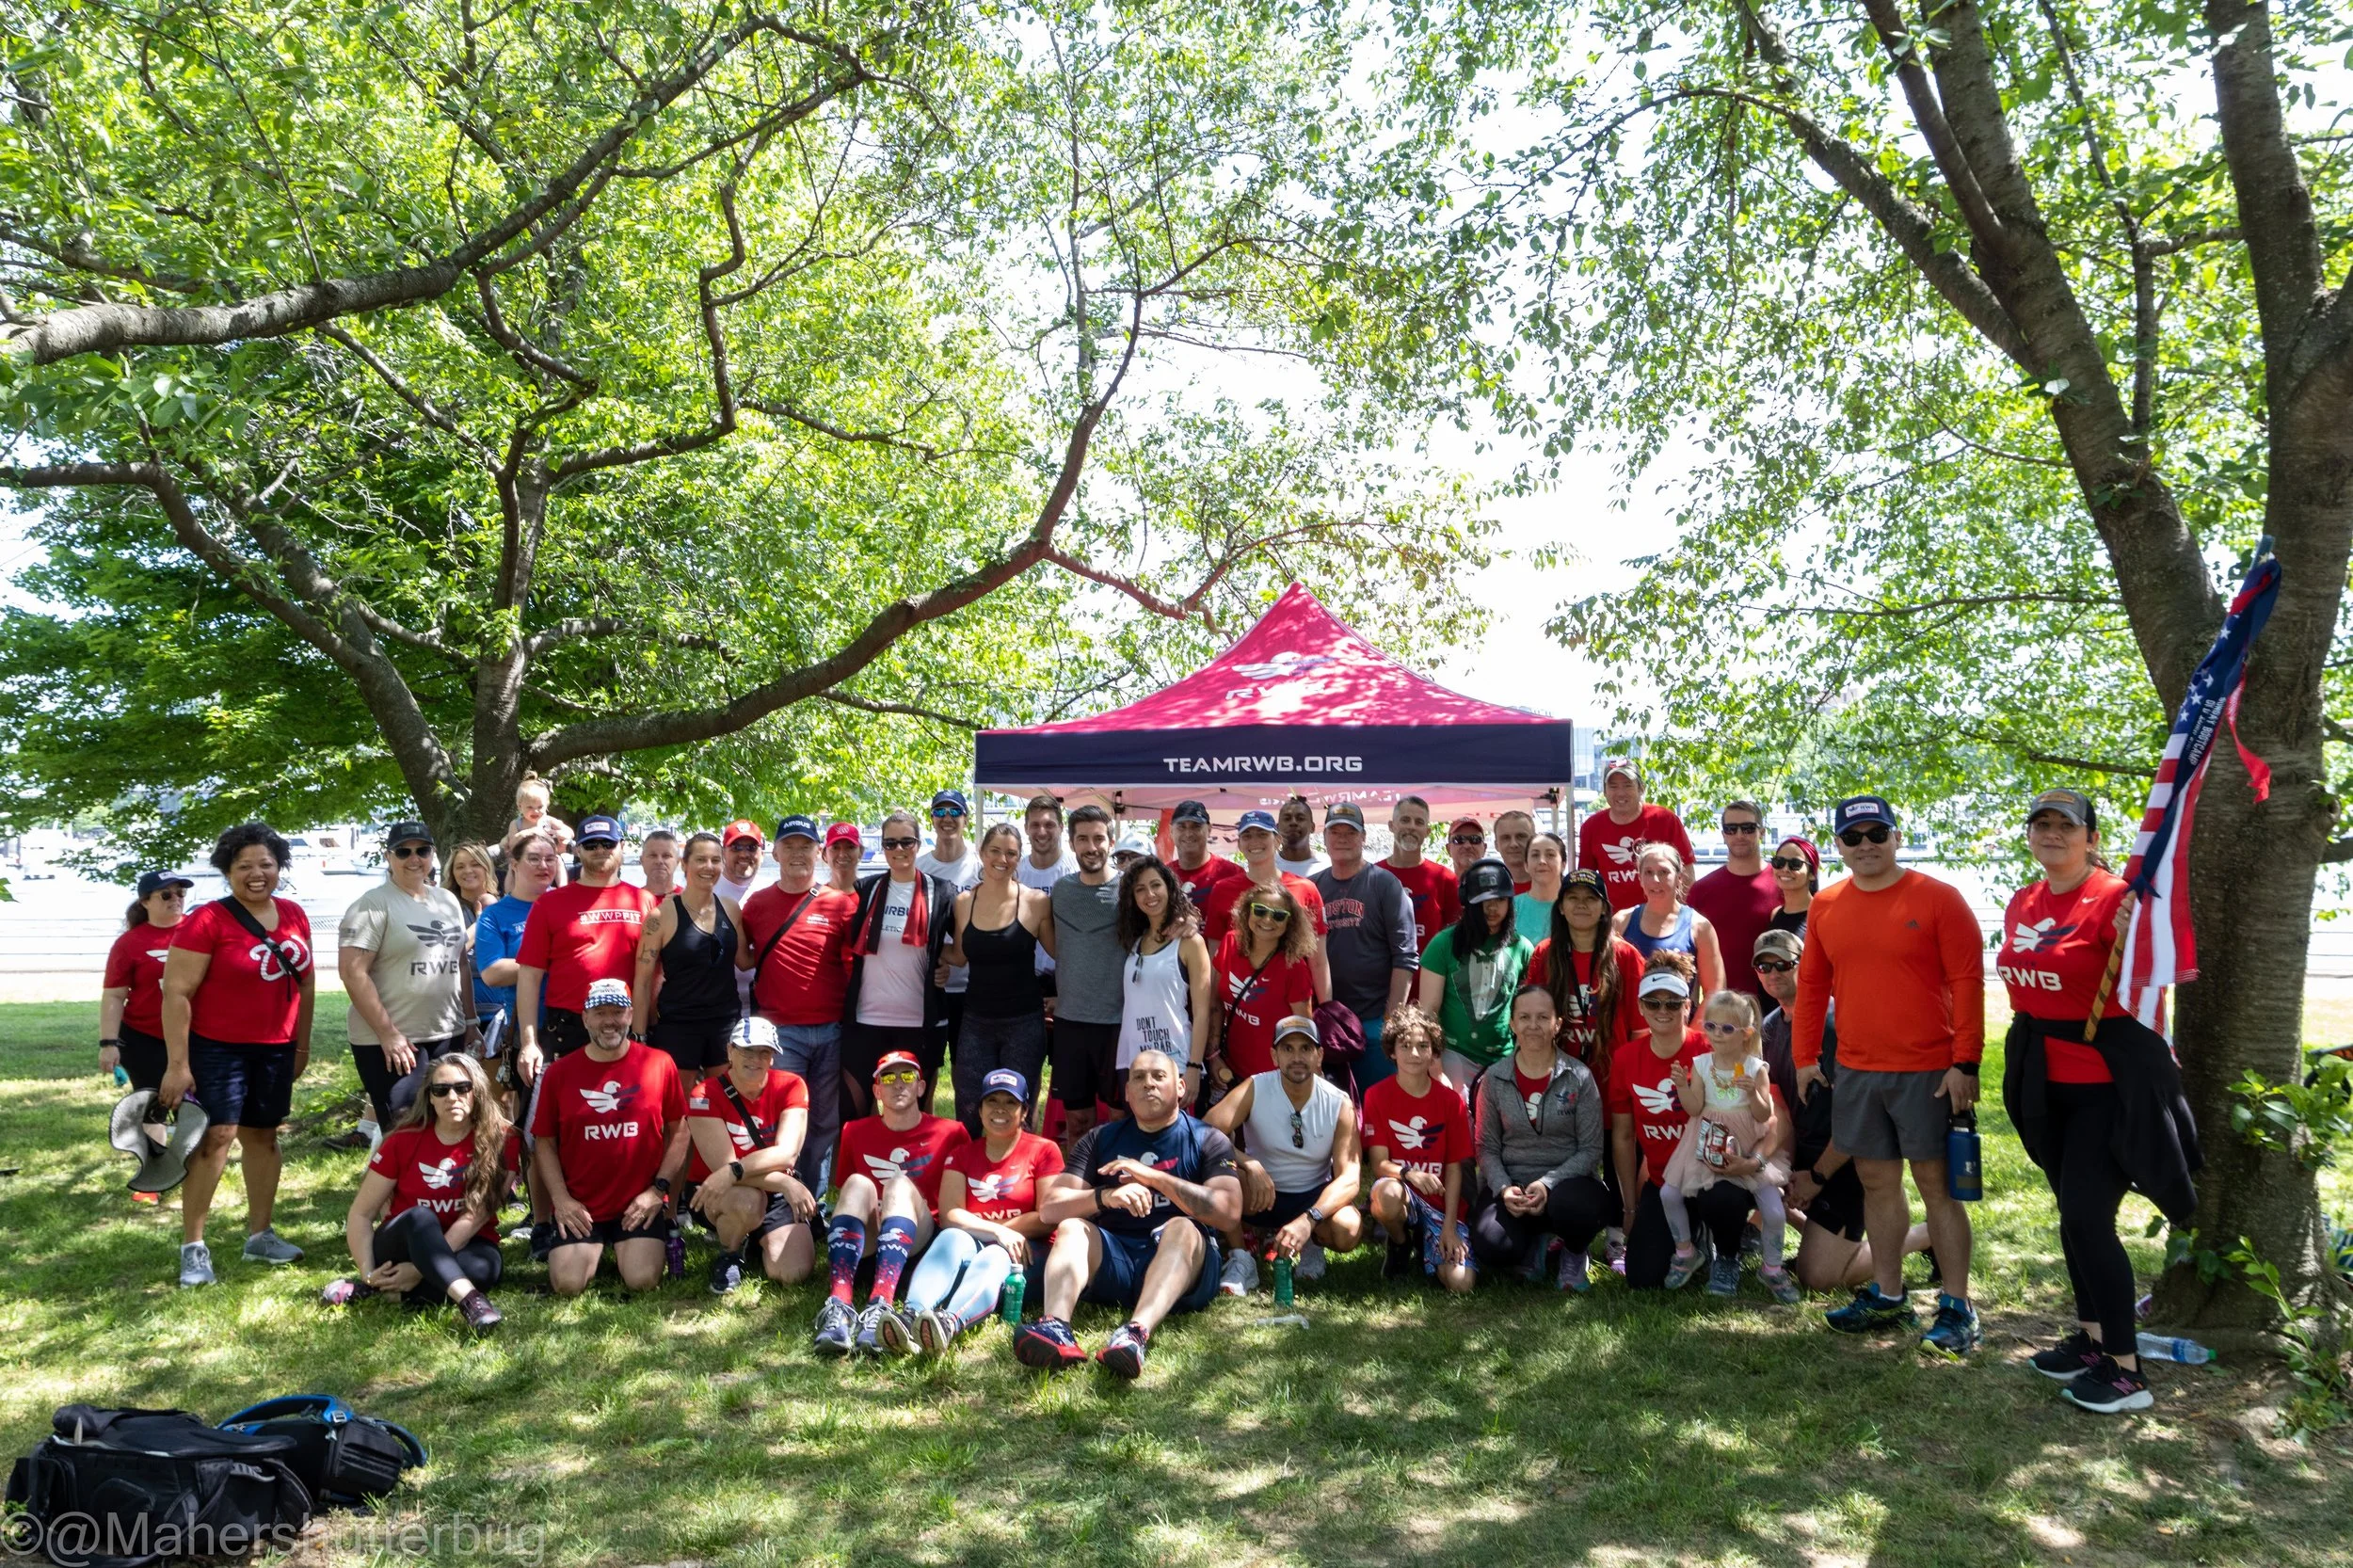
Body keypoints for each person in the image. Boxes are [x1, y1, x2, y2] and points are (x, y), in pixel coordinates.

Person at [1999, 787, 2199, 1414]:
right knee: (2071, 1215)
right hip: (2045, 1083)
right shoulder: (2023, 901)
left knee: (2088, 1218)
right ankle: (2090, 1340)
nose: (2052, 833)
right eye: (2042, 823)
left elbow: (2157, 972)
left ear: (2091, 837)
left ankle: (2125, 1368)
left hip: (2107, 1089)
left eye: (2067, 825)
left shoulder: (2120, 900)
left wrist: (2140, 923)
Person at [1792, 793, 1986, 1356]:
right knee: (1878, 1183)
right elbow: (1811, 988)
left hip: (1927, 1069)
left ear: (1896, 836)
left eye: (1877, 833)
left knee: (1936, 1187)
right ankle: (1888, 1293)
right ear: (1839, 846)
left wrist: (1965, 1061)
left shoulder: (1939, 898)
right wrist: (1807, 1057)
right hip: (1855, 1069)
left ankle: (1956, 1305)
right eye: (1853, 838)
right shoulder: (1825, 904)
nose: (1866, 846)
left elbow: (1969, 981)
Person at [1012, 1048, 1241, 1378]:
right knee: (1073, 1227)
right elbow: (1050, 1208)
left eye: (1159, 1076)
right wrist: (1105, 1197)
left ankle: (1135, 1334)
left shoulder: (1207, 1138)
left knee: (1182, 1227)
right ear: (1127, 1093)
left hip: (1183, 1271)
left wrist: (1155, 1178)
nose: (1148, 1084)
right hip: (1117, 1260)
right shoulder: (1100, 1138)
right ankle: (1056, 1328)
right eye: (1138, 1078)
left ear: (1180, 1087)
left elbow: (1229, 1212)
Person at [160, 823, 314, 1287]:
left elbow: (305, 984)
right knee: (217, 1138)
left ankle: (260, 1235)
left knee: (264, 1138)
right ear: (227, 870)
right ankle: (194, 1246)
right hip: (217, 1048)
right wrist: (178, 1064)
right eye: (244, 866)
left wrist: (301, 1045)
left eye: (266, 865)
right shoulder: (207, 920)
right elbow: (176, 994)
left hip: (275, 1048)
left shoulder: (293, 914)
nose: (256, 874)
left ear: (279, 868)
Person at [1756, 927, 1930, 1295]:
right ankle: (1823, 1238)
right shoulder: (1769, 1029)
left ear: (1806, 965)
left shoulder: (1837, 1023)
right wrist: (1784, 1166)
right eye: (1763, 965)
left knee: (1818, 1278)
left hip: (1848, 1157)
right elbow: (1781, 1111)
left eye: (1784, 963)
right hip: (1805, 1156)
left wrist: (1817, 1177)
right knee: (1742, 1181)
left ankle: (1924, 1236)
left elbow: (1862, 1116)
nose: (1773, 973)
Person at [324, 1052, 515, 1331]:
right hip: (403, 1242)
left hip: (470, 1241)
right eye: (441, 1090)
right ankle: (472, 1302)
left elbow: (477, 1215)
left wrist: (420, 1270)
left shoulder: (503, 1137)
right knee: (421, 1218)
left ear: (478, 1093)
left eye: (463, 1088)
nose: (453, 1097)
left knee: (483, 1270)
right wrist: (367, 1272)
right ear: (430, 1097)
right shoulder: (403, 1140)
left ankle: (384, 1293)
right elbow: (361, 1214)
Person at [530, 978, 691, 1294]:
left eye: (617, 1012)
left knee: (642, 1280)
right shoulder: (560, 1073)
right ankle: (597, 1246)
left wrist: (658, 1192)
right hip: (582, 1204)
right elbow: (544, 1142)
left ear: (630, 1015)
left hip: (638, 1202)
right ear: (585, 1018)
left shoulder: (659, 1063)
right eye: (599, 1013)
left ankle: (623, 1246)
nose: (609, 1021)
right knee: (567, 1284)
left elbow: (680, 1130)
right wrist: (561, 1201)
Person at [893, 1066, 1064, 1356]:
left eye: (1010, 1102)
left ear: (1024, 1111)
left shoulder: (1044, 1150)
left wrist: (1003, 1236)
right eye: (992, 1101)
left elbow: (1047, 1216)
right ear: (981, 1109)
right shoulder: (963, 1154)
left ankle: (948, 1324)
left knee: (996, 1253)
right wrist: (998, 1231)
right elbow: (950, 1215)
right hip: (977, 1243)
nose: (1000, 1109)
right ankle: (911, 1315)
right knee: (951, 1239)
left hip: (1027, 1256)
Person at [1611, 957, 1757, 1291]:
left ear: (1688, 1006)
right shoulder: (1626, 1058)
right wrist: (1631, 1207)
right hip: (1666, 1182)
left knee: (1723, 1200)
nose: (1663, 1010)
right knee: (1643, 1278)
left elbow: (1758, 1107)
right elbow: (1622, 1135)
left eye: (1673, 1002)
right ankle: (1692, 1240)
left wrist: (1754, 1162)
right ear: (1641, 1007)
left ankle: (1727, 1254)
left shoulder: (1712, 1048)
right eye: (1653, 1002)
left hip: (1715, 1173)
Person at [812, 1050, 967, 1355]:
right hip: (869, 1244)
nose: (899, 1084)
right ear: (877, 1090)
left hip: (921, 1242)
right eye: (889, 1077)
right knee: (858, 1183)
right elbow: (847, 1194)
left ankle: (879, 1305)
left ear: (921, 1087)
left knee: (898, 1183)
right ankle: (840, 1304)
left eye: (907, 1076)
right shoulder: (854, 1131)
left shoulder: (952, 1132)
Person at [337, 820, 472, 1154]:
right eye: (404, 851)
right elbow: (353, 973)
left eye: (422, 850)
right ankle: (392, 1203)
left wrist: (469, 1023)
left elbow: (461, 963)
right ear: (389, 856)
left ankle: (437, 1196)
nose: (414, 858)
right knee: (403, 1128)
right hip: (393, 1041)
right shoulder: (372, 905)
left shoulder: (447, 901)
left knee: (448, 1121)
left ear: (433, 854)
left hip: (445, 1033)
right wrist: (388, 1034)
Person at [741, 814, 858, 1193]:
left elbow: (859, 965)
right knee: (782, 1118)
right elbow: (742, 959)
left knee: (824, 1120)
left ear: (818, 853)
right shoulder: (756, 905)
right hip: (780, 1033)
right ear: (774, 852)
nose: (797, 854)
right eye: (788, 846)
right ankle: (779, 1200)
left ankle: (813, 1201)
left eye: (805, 846)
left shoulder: (840, 905)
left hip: (831, 1030)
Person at [1656, 990, 1798, 1303]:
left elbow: (1765, 1115)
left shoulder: (1755, 1068)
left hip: (1748, 1143)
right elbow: (1694, 1108)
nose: (1717, 1034)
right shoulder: (1702, 1064)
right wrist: (1682, 1086)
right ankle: (1686, 1252)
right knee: (1668, 1193)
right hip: (1707, 1139)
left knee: (1774, 1210)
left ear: (1746, 1033)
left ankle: (1772, 1268)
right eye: (1711, 1026)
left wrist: (1753, 1095)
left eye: (1727, 1029)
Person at [1470, 984, 1612, 1289]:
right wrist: (1504, 1187)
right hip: (1513, 1184)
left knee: (1572, 1207)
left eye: (1542, 1017)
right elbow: (1486, 1147)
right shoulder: (1494, 1078)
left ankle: (1574, 1252)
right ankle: (1536, 1241)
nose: (1533, 1025)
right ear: (1512, 1024)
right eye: (1524, 1017)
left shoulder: (1578, 1076)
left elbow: (1591, 1150)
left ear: (1557, 1024)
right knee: (1492, 1247)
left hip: (1569, 1184)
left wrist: (1547, 1184)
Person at [1208, 1014, 1363, 1293]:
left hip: (1312, 1196)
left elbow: (1350, 1179)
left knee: (1348, 1228)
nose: (1297, 1057)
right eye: (1287, 1049)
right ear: (1274, 1055)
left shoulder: (1339, 1103)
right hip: (1260, 1193)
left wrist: (1309, 1219)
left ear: (1319, 1055)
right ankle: (1242, 1258)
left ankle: (1312, 1243)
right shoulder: (1255, 1087)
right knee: (1223, 1173)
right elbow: (1205, 1133)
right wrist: (1249, 1163)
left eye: (1305, 1049)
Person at [513, 813, 658, 1082]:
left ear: (622, 846)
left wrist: (646, 1030)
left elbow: (655, 976)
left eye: (608, 843)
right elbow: (529, 976)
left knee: (625, 1114)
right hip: (570, 1028)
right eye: (591, 845)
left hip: (626, 1024)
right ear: (578, 850)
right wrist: (529, 1042)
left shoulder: (644, 900)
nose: (600, 850)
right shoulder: (549, 904)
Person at [683, 1015, 816, 1295]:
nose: (755, 1059)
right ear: (730, 1051)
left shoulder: (792, 1085)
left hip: (764, 1188)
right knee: (746, 1201)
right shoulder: (703, 1094)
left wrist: (741, 1171)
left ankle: (757, 1238)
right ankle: (730, 1252)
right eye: (747, 1050)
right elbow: (724, 1170)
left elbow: (788, 1153)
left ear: (773, 1058)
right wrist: (785, 1183)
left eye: (764, 1052)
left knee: (793, 1273)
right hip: (721, 1192)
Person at [840, 812, 957, 1118]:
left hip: (920, 1021)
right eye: (891, 843)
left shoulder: (942, 892)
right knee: (854, 1113)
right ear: (882, 847)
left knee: (914, 1115)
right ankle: (855, 1168)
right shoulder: (865, 889)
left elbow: (963, 948)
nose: (899, 849)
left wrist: (941, 960)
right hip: (867, 1018)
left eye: (906, 841)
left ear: (918, 844)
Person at [943, 823, 1056, 1128]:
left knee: (1019, 1111)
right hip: (976, 1021)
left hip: (1024, 1022)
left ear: (1019, 858)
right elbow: (959, 955)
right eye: (995, 851)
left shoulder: (1036, 902)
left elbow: (1062, 953)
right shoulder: (965, 902)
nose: (1002, 859)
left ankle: (1022, 1175)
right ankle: (967, 1174)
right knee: (968, 1109)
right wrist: (924, 950)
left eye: (1011, 853)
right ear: (982, 852)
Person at [1362, 1007, 1475, 1292]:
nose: (1414, 1053)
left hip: (1442, 1203)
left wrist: (1449, 1227)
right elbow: (1378, 1164)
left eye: (1423, 1046)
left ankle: (1432, 1244)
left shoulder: (1451, 1101)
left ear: (1434, 1052)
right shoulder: (1376, 1095)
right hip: (1403, 1191)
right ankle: (1400, 1243)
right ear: (1392, 1051)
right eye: (1406, 1045)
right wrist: (1410, 1174)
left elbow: (1454, 1168)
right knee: (1387, 1195)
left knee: (1461, 1284)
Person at [1310, 801, 1417, 1089]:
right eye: (1335, 832)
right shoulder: (1313, 887)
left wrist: (1390, 1021)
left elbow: (1405, 957)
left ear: (1364, 837)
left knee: (1374, 1109)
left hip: (1374, 1021)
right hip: (1328, 1022)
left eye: (1351, 832)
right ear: (1324, 838)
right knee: (1334, 1114)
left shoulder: (1385, 884)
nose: (1343, 838)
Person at [632, 830, 753, 1079]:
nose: (709, 867)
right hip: (679, 1025)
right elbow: (642, 981)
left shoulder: (730, 908)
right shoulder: (660, 917)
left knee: (725, 1105)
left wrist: (783, 941)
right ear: (684, 864)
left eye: (715, 860)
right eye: (700, 859)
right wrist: (638, 1037)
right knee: (679, 1111)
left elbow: (744, 961)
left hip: (724, 1023)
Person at [1416, 859, 1532, 1093]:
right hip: (1454, 1055)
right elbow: (1428, 1011)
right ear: (1467, 903)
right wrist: (1435, 1062)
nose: (1492, 908)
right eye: (1483, 902)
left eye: (1500, 900)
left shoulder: (1523, 948)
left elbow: (1528, 1010)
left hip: (1505, 1057)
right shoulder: (1442, 944)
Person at [1048, 806, 1124, 1146]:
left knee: (1122, 1118)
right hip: (1070, 1022)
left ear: (1111, 841)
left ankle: (1123, 1191)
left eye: (1098, 838)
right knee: (1077, 1122)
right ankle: (1078, 1193)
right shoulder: (1060, 891)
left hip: (1119, 1023)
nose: (1091, 847)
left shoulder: (1131, 891)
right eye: (1083, 839)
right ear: (1071, 842)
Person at [1529, 868, 1645, 1086]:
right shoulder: (1544, 953)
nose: (1581, 904)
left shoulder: (1626, 956)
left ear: (1604, 909)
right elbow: (1531, 1018)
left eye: (1591, 898)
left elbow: (1641, 1030)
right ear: (1561, 907)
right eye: (1573, 898)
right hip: (1557, 1078)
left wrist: (1633, 1079)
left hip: (1614, 1081)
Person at [1115, 856, 1215, 1097]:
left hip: (1175, 1062)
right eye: (1140, 889)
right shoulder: (1134, 940)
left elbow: (1203, 1012)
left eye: (1155, 885)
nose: (1150, 894)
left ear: (1169, 888)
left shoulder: (1190, 942)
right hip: (1134, 1062)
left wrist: (1193, 1066)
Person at [1209, 808, 1330, 1000]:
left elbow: (1318, 961)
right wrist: (1213, 1016)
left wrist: (1326, 1009)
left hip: (1295, 1004)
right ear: (1239, 844)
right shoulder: (1222, 890)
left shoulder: (1306, 889)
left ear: (1278, 840)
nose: (1255, 841)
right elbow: (1214, 960)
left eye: (1262, 834)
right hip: (1241, 1004)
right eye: (1247, 836)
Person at [1209, 875, 1317, 1091]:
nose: (1267, 920)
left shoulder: (1293, 966)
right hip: (1231, 1070)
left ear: (1289, 922)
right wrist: (1213, 1056)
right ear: (1248, 912)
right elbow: (1215, 1003)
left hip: (1276, 1079)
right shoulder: (1230, 943)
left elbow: (1304, 1030)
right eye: (1260, 910)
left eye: (1278, 915)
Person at [473, 829, 559, 1070]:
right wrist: (557, 958)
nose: (543, 865)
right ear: (514, 864)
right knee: (531, 1104)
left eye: (550, 859)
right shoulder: (496, 915)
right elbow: (492, 972)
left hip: (576, 1023)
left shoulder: (568, 902)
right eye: (533, 858)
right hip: (528, 1027)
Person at [102, 870, 191, 1095]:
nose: (176, 899)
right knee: (152, 1105)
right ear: (145, 901)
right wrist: (108, 1044)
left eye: (180, 893)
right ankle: (152, 1130)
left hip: (196, 1035)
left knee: (196, 1108)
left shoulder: (200, 930)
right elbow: (114, 995)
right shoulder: (129, 943)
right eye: (166, 895)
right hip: (145, 1037)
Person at [1688, 801, 1780, 1003]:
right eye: (1731, 829)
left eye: (1748, 828)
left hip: (1777, 1005)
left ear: (1762, 832)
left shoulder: (1784, 884)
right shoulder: (1701, 891)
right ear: (1723, 834)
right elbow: (1690, 958)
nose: (1739, 835)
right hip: (1720, 1008)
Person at [1577, 758, 1694, 911]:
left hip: (1662, 919)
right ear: (1605, 791)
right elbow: (1586, 880)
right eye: (1613, 786)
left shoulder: (1665, 819)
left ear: (1641, 788)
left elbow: (1687, 875)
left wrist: (1678, 916)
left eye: (1627, 785)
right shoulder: (1591, 827)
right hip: (1613, 924)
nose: (1620, 793)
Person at [1612, 841, 1726, 999]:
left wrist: (1689, 1025)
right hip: (1632, 1023)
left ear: (1679, 878)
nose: (1656, 880)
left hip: (1681, 1021)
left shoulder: (1699, 927)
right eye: (1648, 872)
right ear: (1640, 878)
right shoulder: (1620, 922)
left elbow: (1714, 993)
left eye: (1664, 872)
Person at [918, 789, 984, 1049]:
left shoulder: (981, 867)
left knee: (964, 1066)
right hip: (930, 983)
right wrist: (937, 958)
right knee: (926, 1065)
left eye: (955, 811)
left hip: (972, 985)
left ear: (966, 819)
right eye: (940, 811)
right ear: (932, 819)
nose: (947, 817)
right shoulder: (919, 869)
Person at [1380, 795, 1460, 954]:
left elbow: (1455, 937)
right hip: (1380, 977)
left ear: (1427, 831)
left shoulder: (1445, 878)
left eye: (1419, 822)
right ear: (1391, 826)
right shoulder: (1373, 876)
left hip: (1430, 977)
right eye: (1405, 820)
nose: (1412, 827)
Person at [1168, 799, 1246, 933]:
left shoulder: (1233, 873)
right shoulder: (1162, 875)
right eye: (1181, 826)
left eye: (1196, 826)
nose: (1188, 833)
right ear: (1171, 831)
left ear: (1209, 829)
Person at [1512, 830, 1566, 943]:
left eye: (1550, 855)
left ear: (1563, 864)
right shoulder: (1511, 907)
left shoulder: (1575, 906)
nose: (1542, 861)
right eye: (1535, 855)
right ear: (1526, 865)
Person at [1768, 835, 1819, 936]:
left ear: (1812, 874)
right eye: (1779, 862)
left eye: (1795, 864)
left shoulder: (1821, 914)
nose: (1785, 869)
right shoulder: (1775, 914)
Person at [1274, 794, 1328, 877]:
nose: (1293, 823)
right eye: (1287, 819)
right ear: (1277, 827)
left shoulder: (1327, 864)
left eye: (1300, 818)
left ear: (1312, 827)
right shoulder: (1268, 865)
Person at [714, 820, 765, 904]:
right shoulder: (705, 893)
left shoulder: (772, 895)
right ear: (723, 853)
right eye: (736, 847)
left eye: (752, 847)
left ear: (762, 855)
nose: (744, 855)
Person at [1492, 808, 1537, 895]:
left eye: (1521, 836)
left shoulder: (1556, 887)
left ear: (1534, 840)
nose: (1513, 844)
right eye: (1506, 838)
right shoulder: (1488, 889)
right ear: (1496, 845)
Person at [636, 828, 682, 902]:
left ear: (677, 861)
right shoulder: (630, 900)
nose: (659, 861)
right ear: (642, 860)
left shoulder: (688, 901)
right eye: (653, 855)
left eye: (666, 856)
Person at [823, 822, 866, 891]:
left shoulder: (872, 896)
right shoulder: (816, 898)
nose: (842, 854)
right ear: (824, 854)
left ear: (861, 852)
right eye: (835, 848)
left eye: (850, 847)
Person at [1444, 816, 1488, 884]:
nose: (1467, 846)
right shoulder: (1439, 889)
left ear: (1484, 848)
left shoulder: (1499, 889)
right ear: (1448, 849)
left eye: (1475, 839)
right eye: (1459, 839)